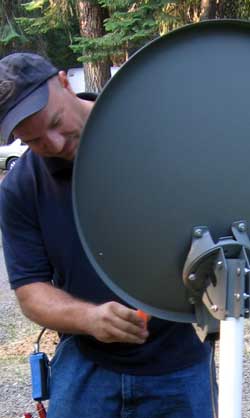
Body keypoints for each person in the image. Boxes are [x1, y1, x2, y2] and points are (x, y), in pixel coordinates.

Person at [0, 53, 217, 418]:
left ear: (65, 83)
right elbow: (31, 292)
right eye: (34, 140)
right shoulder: (20, 189)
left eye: (55, 123)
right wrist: (89, 318)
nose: (53, 144)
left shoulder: (158, 139)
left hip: (178, 356)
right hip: (86, 360)